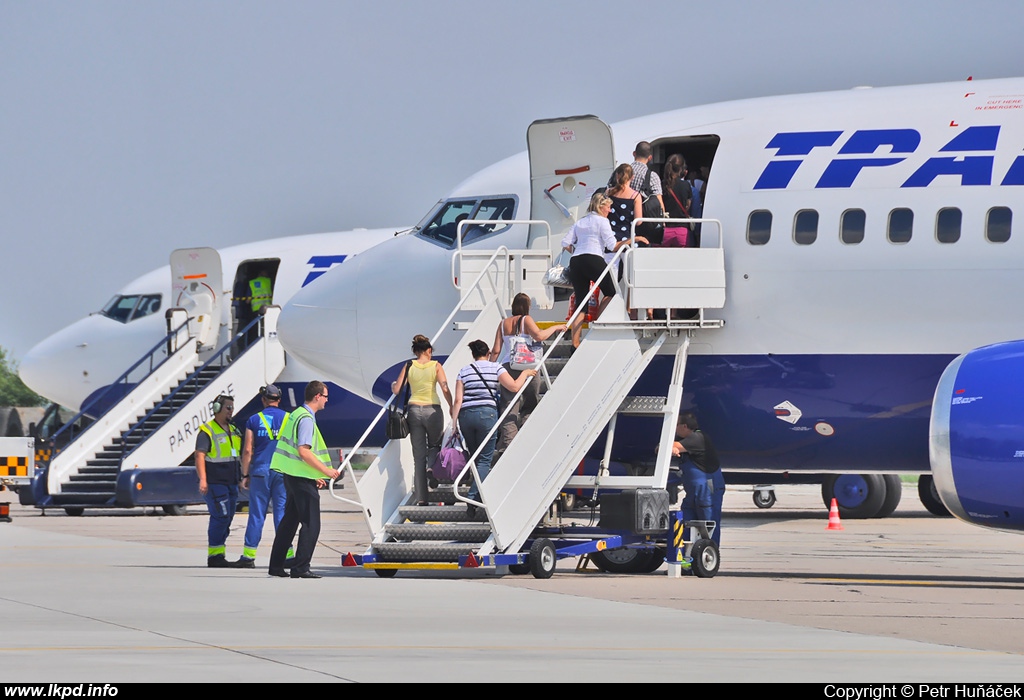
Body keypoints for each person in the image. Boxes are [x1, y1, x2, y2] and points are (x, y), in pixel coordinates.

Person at [451, 339, 537, 516]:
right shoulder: (495, 368)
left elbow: (458, 400)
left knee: (476, 457)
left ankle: (477, 493)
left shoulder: (464, 371)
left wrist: (454, 424)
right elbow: (513, 387)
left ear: (473, 354)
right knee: (484, 459)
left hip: (466, 416)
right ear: (488, 352)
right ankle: (473, 499)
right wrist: (526, 373)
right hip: (486, 415)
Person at [267, 381, 341, 579]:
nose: (327, 400)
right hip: (299, 478)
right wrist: (326, 470)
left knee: (289, 522)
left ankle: (275, 566)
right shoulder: (307, 419)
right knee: (311, 524)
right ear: (317, 396)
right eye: (326, 396)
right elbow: (303, 451)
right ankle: (300, 568)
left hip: (292, 475)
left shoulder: (296, 414)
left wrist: (314, 474)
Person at [561, 192, 647, 348]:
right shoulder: (602, 221)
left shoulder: (581, 221)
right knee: (611, 292)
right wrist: (634, 239)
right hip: (594, 258)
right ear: (601, 207)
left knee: (581, 302)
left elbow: (566, 243)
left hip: (576, 260)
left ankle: (575, 344)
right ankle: (597, 324)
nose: (610, 211)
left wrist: (578, 252)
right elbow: (612, 246)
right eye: (608, 207)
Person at [489, 293, 566, 453]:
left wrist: (489, 369)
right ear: (526, 306)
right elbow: (539, 336)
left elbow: (496, 350)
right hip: (528, 366)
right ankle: (526, 439)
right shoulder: (526, 320)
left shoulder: (503, 324)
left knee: (509, 408)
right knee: (530, 403)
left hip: (508, 366)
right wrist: (556, 327)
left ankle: (510, 446)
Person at [391, 334, 453, 505]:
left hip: (414, 411)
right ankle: (431, 468)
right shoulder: (436, 365)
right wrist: (451, 405)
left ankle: (421, 499)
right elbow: (445, 388)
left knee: (418, 456)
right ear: (429, 350)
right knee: (435, 445)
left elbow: (397, 389)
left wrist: (393, 385)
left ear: (415, 351)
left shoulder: (409, 365)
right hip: (432, 410)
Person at [236, 384, 291, 568]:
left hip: (260, 472)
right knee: (282, 513)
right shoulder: (288, 419)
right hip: (282, 472)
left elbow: (248, 450)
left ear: (263, 399)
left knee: (257, 515)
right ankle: (287, 555)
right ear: (279, 400)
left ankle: (248, 557)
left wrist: (244, 474)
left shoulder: (253, 420)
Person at [194, 394, 244, 568]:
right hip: (215, 483)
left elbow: (236, 455)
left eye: (232, 407)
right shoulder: (207, 431)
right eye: (228, 407)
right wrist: (203, 480)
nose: (231, 411)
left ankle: (219, 553)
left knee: (228, 518)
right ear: (217, 409)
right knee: (220, 517)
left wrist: (241, 477)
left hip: (231, 482)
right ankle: (214, 557)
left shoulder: (234, 429)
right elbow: (200, 455)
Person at [672, 412, 725, 546]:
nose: (674, 428)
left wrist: (672, 447)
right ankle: (686, 560)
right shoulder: (687, 440)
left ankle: (708, 557)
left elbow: (670, 446)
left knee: (708, 525)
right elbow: (664, 447)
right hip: (694, 493)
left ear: (684, 426)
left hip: (707, 492)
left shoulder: (696, 438)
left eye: (676, 425)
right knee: (686, 523)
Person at [605, 163, 644, 245]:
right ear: (632, 177)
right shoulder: (635, 196)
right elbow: (638, 221)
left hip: (610, 236)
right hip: (627, 238)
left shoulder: (608, 192)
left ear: (617, 175)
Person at [661, 154, 694, 248]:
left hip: (665, 229)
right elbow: (688, 205)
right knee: (682, 260)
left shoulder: (662, 184)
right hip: (682, 229)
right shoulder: (686, 185)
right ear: (681, 169)